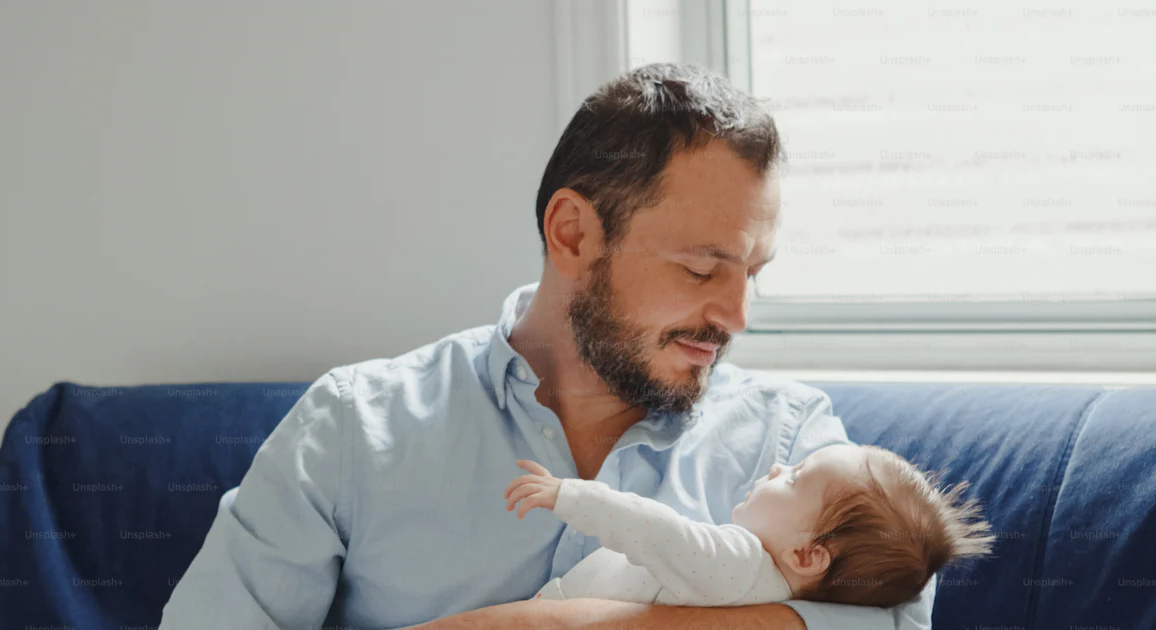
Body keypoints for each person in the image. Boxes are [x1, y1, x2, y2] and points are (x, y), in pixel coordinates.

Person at [159, 62, 937, 630]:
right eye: (702, 268)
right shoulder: (356, 426)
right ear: (573, 233)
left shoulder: (789, 438)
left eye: (752, 276)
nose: (734, 316)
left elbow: (898, 619)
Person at [506, 446, 993, 608]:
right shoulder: (763, 588)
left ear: (807, 555)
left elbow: (654, 529)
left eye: (796, 477)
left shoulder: (738, 565)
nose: (779, 468)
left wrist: (571, 496)